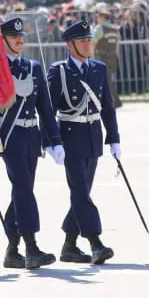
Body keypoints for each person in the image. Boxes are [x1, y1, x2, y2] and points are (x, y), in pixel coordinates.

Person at [0, 17, 63, 270]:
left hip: (31, 137)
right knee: (24, 189)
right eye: (14, 36)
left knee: (21, 192)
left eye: (21, 36)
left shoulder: (33, 67)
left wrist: (54, 140)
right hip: (10, 138)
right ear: (2, 40)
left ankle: (12, 250)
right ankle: (31, 248)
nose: (19, 39)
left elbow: (45, 106)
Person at [48, 21, 120, 265]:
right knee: (80, 191)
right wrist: (52, 141)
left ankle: (69, 246)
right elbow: (48, 110)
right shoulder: (59, 71)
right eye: (83, 41)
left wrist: (114, 138)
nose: (88, 44)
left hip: (93, 137)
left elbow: (107, 107)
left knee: (82, 193)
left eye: (89, 39)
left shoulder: (98, 69)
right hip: (70, 138)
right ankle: (95, 242)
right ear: (70, 45)